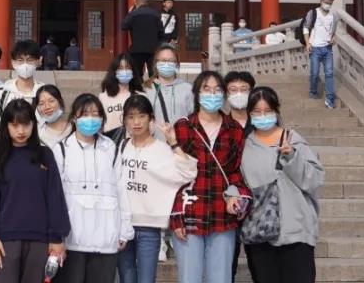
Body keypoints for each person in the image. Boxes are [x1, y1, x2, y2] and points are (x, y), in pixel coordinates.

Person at [0, 100, 70, 283]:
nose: (21, 130)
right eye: (14, 125)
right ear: (6, 126)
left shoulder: (45, 155)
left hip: (40, 240)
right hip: (5, 240)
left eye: (26, 124)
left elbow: (55, 197)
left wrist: (57, 237)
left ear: (33, 125)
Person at [169, 71, 248, 283]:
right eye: (206, 89)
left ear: (224, 95)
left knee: (221, 277)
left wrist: (237, 195)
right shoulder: (183, 126)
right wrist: (176, 215)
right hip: (190, 213)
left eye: (217, 90)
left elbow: (236, 171)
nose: (212, 94)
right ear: (197, 93)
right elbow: (174, 176)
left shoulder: (234, 129)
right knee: (189, 278)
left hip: (223, 214)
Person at [240, 86, 324, 283]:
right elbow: (238, 183)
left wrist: (292, 157)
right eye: (257, 111)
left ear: (276, 111)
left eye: (267, 111)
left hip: (296, 231)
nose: (262, 116)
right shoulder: (244, 146)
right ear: (249, 114)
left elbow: (315, 180)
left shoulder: (293, 140)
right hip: (260, 232)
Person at [53, 94, 134, 283]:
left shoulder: (110, 148)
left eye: (96, 114)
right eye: (85, 114)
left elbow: (120, 188)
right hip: (73, 237)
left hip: (105, 235)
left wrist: (125, 228)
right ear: (74, 117)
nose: (90, 119)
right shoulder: (62, 149)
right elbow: (55, 195)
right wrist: (55, 235)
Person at [117, 94, 198, 283]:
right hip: (122, 224)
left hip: (149, 227)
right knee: (126, 279)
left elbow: (189, 172)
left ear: (151, 118)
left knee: (146, 279)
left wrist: (173, 143)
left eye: (141, 116)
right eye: (131, 117)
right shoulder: (120, 147)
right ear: (125, 120)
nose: (136, 122)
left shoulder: (162, 150)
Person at [224, 71, 256, 281]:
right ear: (226, 94)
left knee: (261, 265)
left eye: (244, 89)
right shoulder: (221, 125)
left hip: (258, 202)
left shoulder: (262, 124)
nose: (239, 94)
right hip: (230, 200)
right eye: (233, 90)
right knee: (227, 265)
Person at [142, 45, 194, 138]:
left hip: (180, 143)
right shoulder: (146, 89)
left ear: (177, 64)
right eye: (163, 60)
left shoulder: (188, 89)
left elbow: (194, 118)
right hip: (153, 143)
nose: (166, 63)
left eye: (170, 61)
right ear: (156, 63)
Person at [302, 0, 339, 109]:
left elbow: (333, 32)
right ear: (321, 0)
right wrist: (307, 43)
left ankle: (330, 99)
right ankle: (313, 92)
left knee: (329, 74)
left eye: (330, 3)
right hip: (315, 48)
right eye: (326, 2)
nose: (327, 5)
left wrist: (333, 38)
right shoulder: (313, 13)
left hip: (327, 49)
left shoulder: (333, 16)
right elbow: (306, 28)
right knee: (314, 73)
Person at [98, 54, 143, 141]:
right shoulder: (103, 97)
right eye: (120, 68)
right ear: (114, 72)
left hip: (134, 143)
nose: (124, 71)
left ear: (133, 72)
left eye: (127, 68)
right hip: (110, 143)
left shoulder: (140, 96)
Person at [121, 0, 162, 81]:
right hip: (153, 49)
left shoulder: (133, 14)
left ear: (136, 2)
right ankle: (156, 88)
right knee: (153, 73)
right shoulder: (155, 14)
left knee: (137, 73)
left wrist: (129, 13)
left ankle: (139, 88)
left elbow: (123, 26)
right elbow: (161, 31)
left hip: (137, 49)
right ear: (145, 2)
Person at [2, 39, 45, 104]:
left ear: (37, 62)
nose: (25, 64)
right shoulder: (4, 91)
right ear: (13, 62)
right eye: (20, 60)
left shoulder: (44, 91)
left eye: (30, 60)